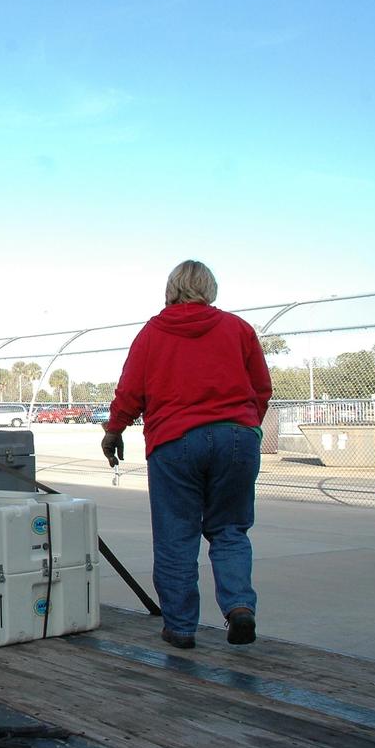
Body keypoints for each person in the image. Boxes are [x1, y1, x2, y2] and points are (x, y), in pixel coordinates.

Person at [100, 260, 271, 650]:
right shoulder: (238, 329)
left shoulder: (152, 333)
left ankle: (179, 628)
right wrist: (245, 427)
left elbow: (131, 389)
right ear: (210, 288)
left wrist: (115, 430)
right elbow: (261, 387)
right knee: (230, 530)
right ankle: (239, 607)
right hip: (237, 438)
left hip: (174, 440)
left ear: (172, 288)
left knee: (176, 536)